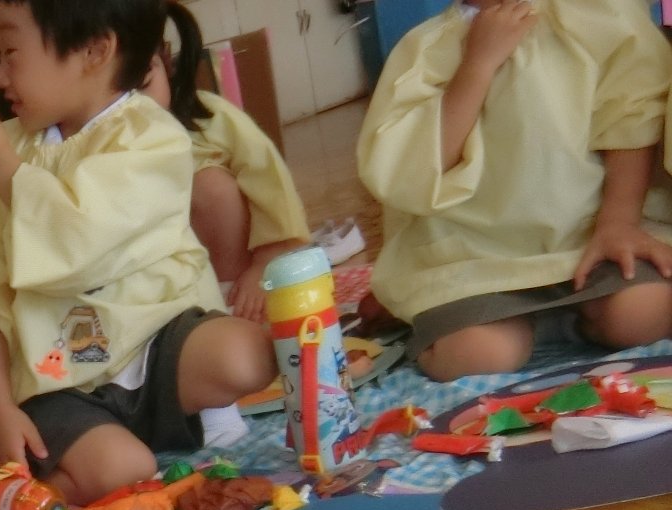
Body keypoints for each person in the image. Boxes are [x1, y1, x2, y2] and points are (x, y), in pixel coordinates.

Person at [0, 0, 275, 503]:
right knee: (126, 470)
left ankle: (138, 436)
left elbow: (81, 240)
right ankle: (50, 484)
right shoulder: (3, 152)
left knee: (247, 355)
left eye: (12, 53)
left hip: (154, 352)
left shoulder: (152, 138)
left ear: (93, 50)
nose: (0, 77)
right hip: (59, 386)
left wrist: (4, 170)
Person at [359, 0, 672, 380]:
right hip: (471, 263)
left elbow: (632, 118)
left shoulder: (601, 18)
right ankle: (440, 319)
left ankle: (570, 320)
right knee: (479, 357)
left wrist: (618, 223)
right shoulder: (427, 49)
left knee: (645, 314)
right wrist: (477, 65)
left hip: (584, 247)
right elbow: (413, 169)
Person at [141, 4, 310, 324]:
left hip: (233, 271)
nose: (136, 105)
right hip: (162, 286)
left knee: (211, 187)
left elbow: (270, 180)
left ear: (165, 63)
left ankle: (234, 300)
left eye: (144, 84)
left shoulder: (209, 115)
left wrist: (265, 264)